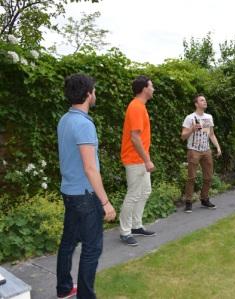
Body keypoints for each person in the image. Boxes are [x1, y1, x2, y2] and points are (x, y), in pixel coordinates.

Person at [56, 74, 116, 299]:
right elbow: (91, 169)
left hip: (69, 193)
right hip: (84, 196)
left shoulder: (65, 119)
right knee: (92, 249)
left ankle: (63, 289)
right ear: (88, 94)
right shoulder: (83, 124)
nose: (95, 94)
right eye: (94, 91)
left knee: (68, 243)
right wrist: (106, 202)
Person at [119, 75, 156, 246]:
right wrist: (147, 160)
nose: (153, 88)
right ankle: (125, 232)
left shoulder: (140, 106)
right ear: (144, 89)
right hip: (135, 160)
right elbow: (135, 138)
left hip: (140, 159)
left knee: (145, 191)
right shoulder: (135, 107)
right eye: (151, 86)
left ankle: (136, 225)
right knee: (133, 195)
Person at [181, 94, 222, 213]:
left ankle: (204, 199)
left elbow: (211, 134)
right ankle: (188, 202)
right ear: (196, 104)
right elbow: (183, 136)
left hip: (206, 150)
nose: (205, 102)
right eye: (202, 100)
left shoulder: (208, 117)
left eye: (205, 100)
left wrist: (218, 147)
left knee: (208, 177)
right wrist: (191, 129)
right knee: (191, 177)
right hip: (193, 150)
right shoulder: (190, 118)